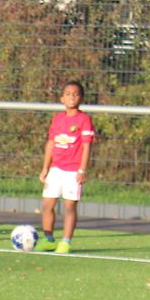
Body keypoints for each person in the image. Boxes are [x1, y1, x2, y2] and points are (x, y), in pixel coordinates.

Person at [38, 81, 95, 253]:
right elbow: (51, 143)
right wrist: (45, 168)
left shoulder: (84, 120)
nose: (72, 97)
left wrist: (82, 170)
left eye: (76, 94)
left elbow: (86, 147)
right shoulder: (58, 119)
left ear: (81, 98)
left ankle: (66, 242)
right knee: (48, 204)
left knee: (70, 206)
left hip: (73, 170)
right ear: (62, 98)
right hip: (56, 168)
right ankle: (48, 239)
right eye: (68, 94)